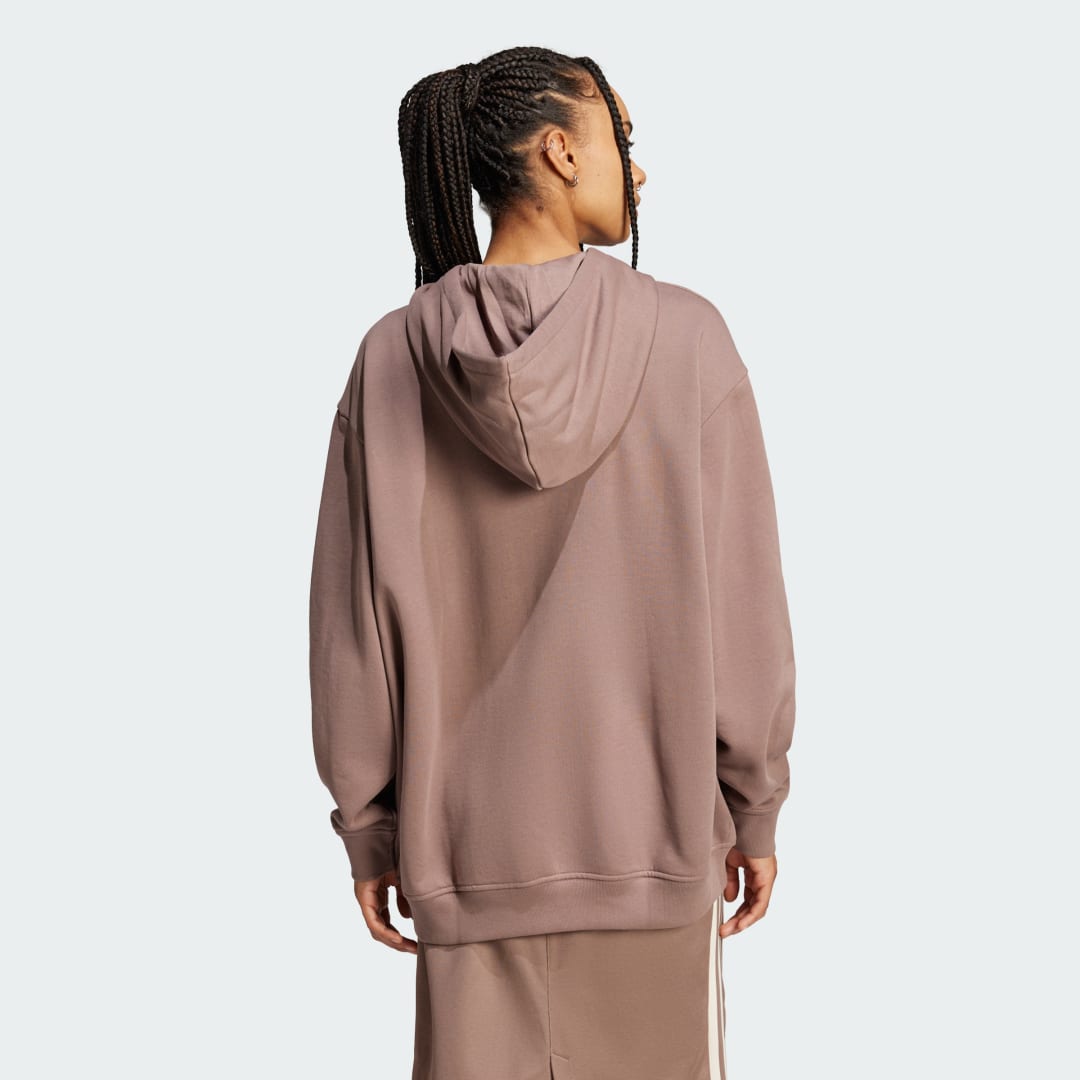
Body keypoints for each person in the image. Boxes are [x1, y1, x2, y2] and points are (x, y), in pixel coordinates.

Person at [309, 44, 797, 1080]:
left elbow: (354, 625)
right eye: (623, 138)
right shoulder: (688, 340)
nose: (639, 167)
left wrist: (369, 828)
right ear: (561, 152)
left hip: (465, 863)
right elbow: (743, 604)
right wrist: (753, 805)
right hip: (652, 852)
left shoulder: (393, 358)